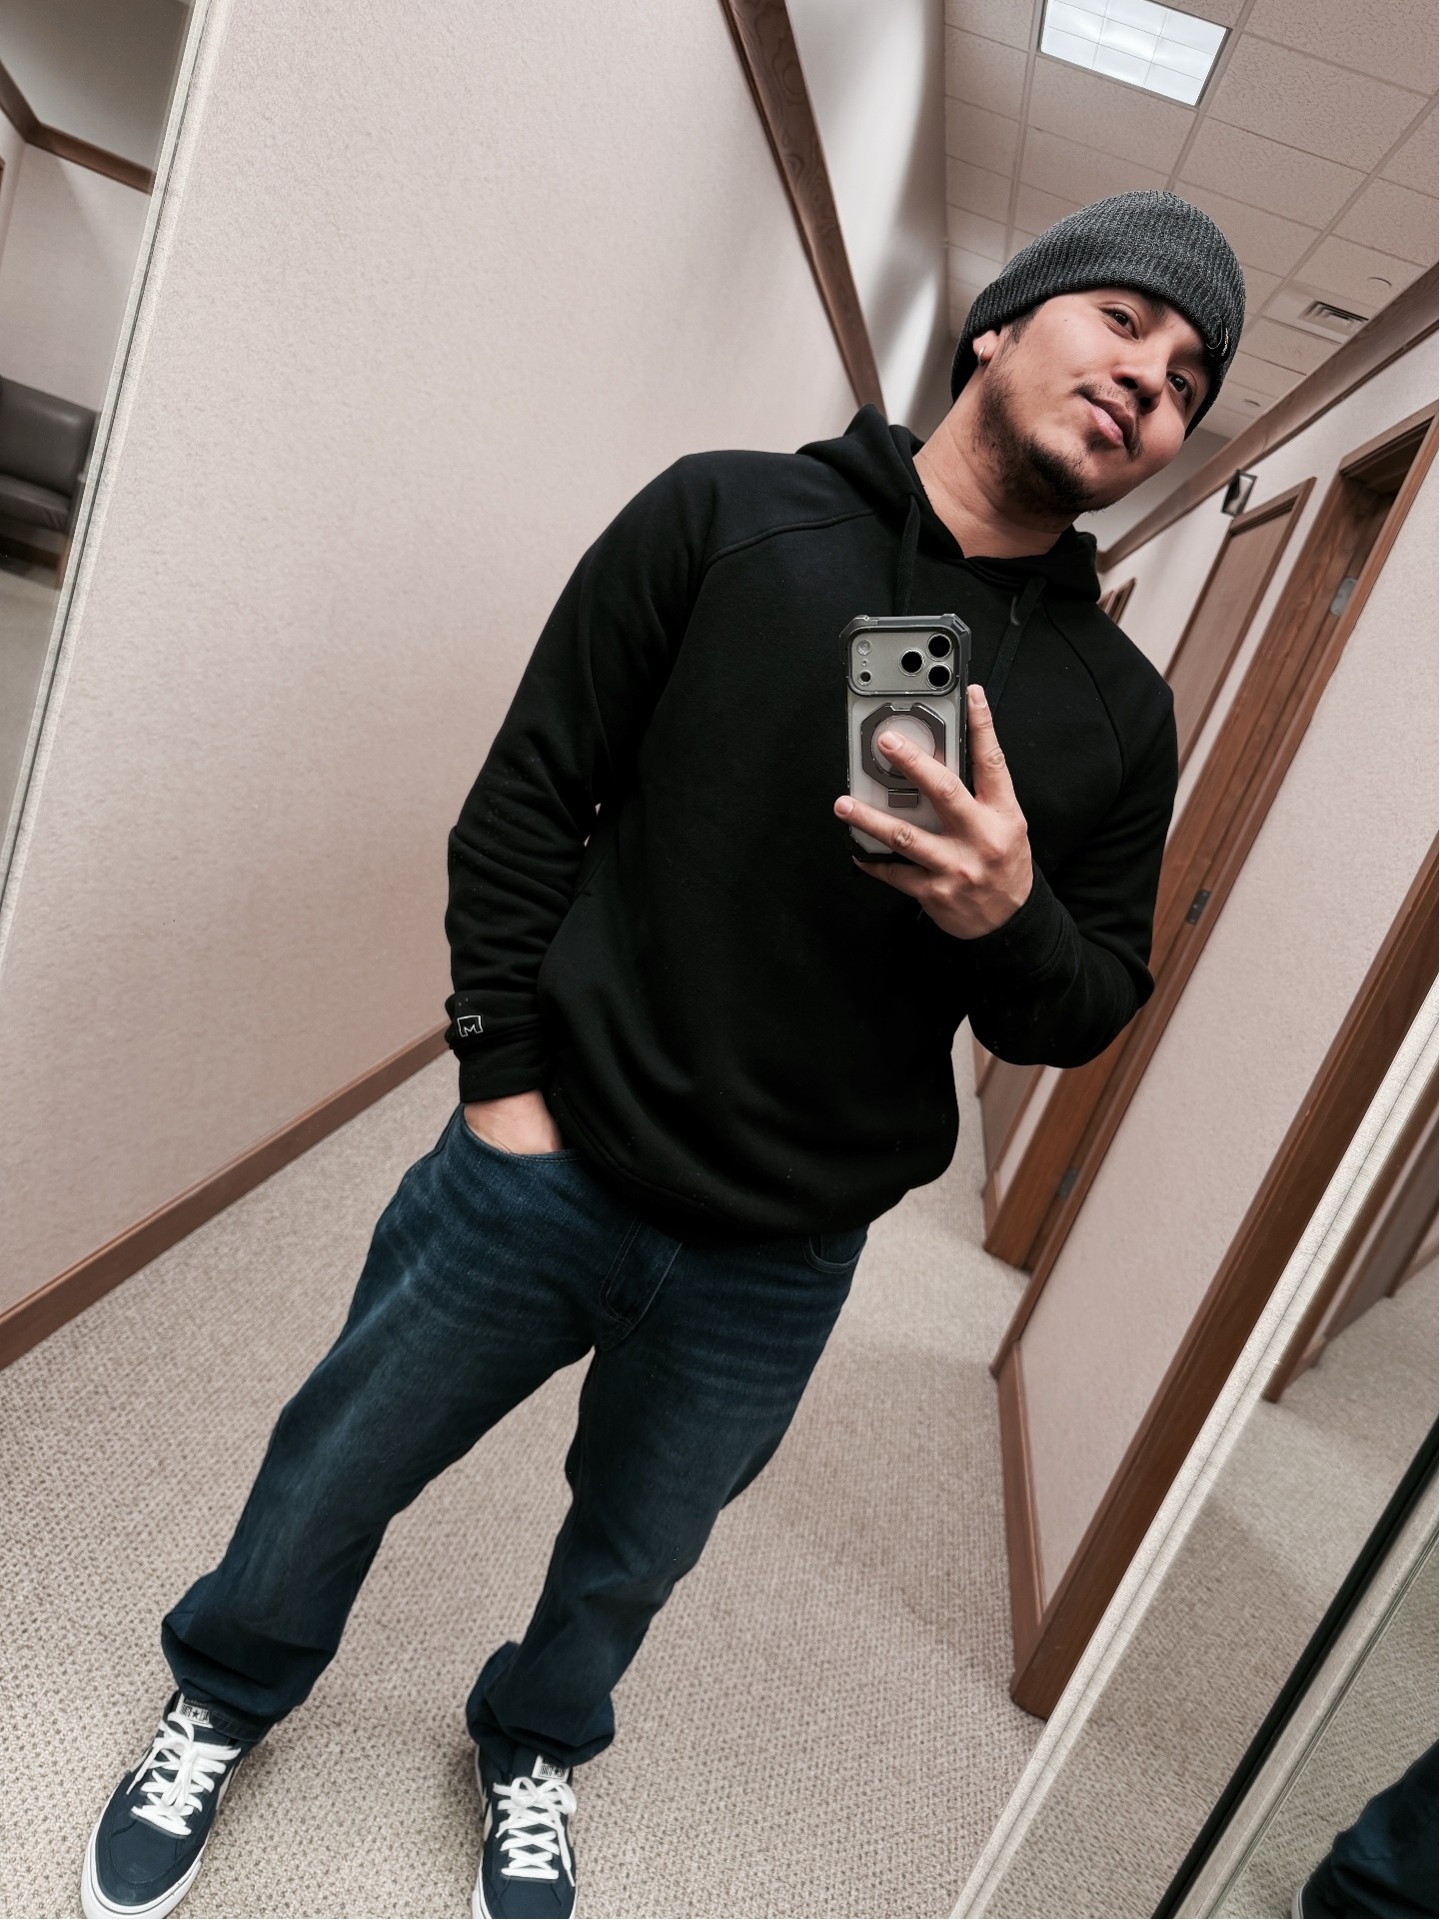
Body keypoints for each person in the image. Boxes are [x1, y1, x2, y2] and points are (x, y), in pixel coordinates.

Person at [81, 190, 1244, 1920]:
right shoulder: (729, 514)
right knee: (344, 1458)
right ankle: (224, 1696)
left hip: (785, 1246)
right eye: (1126, 322)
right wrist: (500, 1086)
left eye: (1192, 378)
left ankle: (534, 1744)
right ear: (1001, 325)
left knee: (633, 1559)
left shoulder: (1120, 711)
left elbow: (1072, 1012)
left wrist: (1006, 908)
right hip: (546, 1164)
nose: (1153, 380)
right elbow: (531, 793)